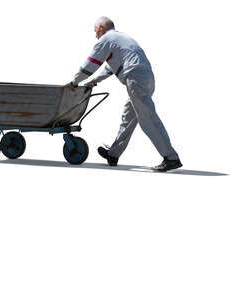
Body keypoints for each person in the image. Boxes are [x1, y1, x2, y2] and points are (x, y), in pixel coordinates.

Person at [67, 16, 182, 172]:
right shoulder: (121, 38)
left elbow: (91, 63)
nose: (95, 36)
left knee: (148, 119)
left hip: (135, 79)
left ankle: (171, 158)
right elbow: (111, 68)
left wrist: (74, 82)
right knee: (128, 117)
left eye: (95, 31)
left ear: (101, 28)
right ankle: (113, 154)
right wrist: (94, 81)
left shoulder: (106, 39)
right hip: (145, 78)